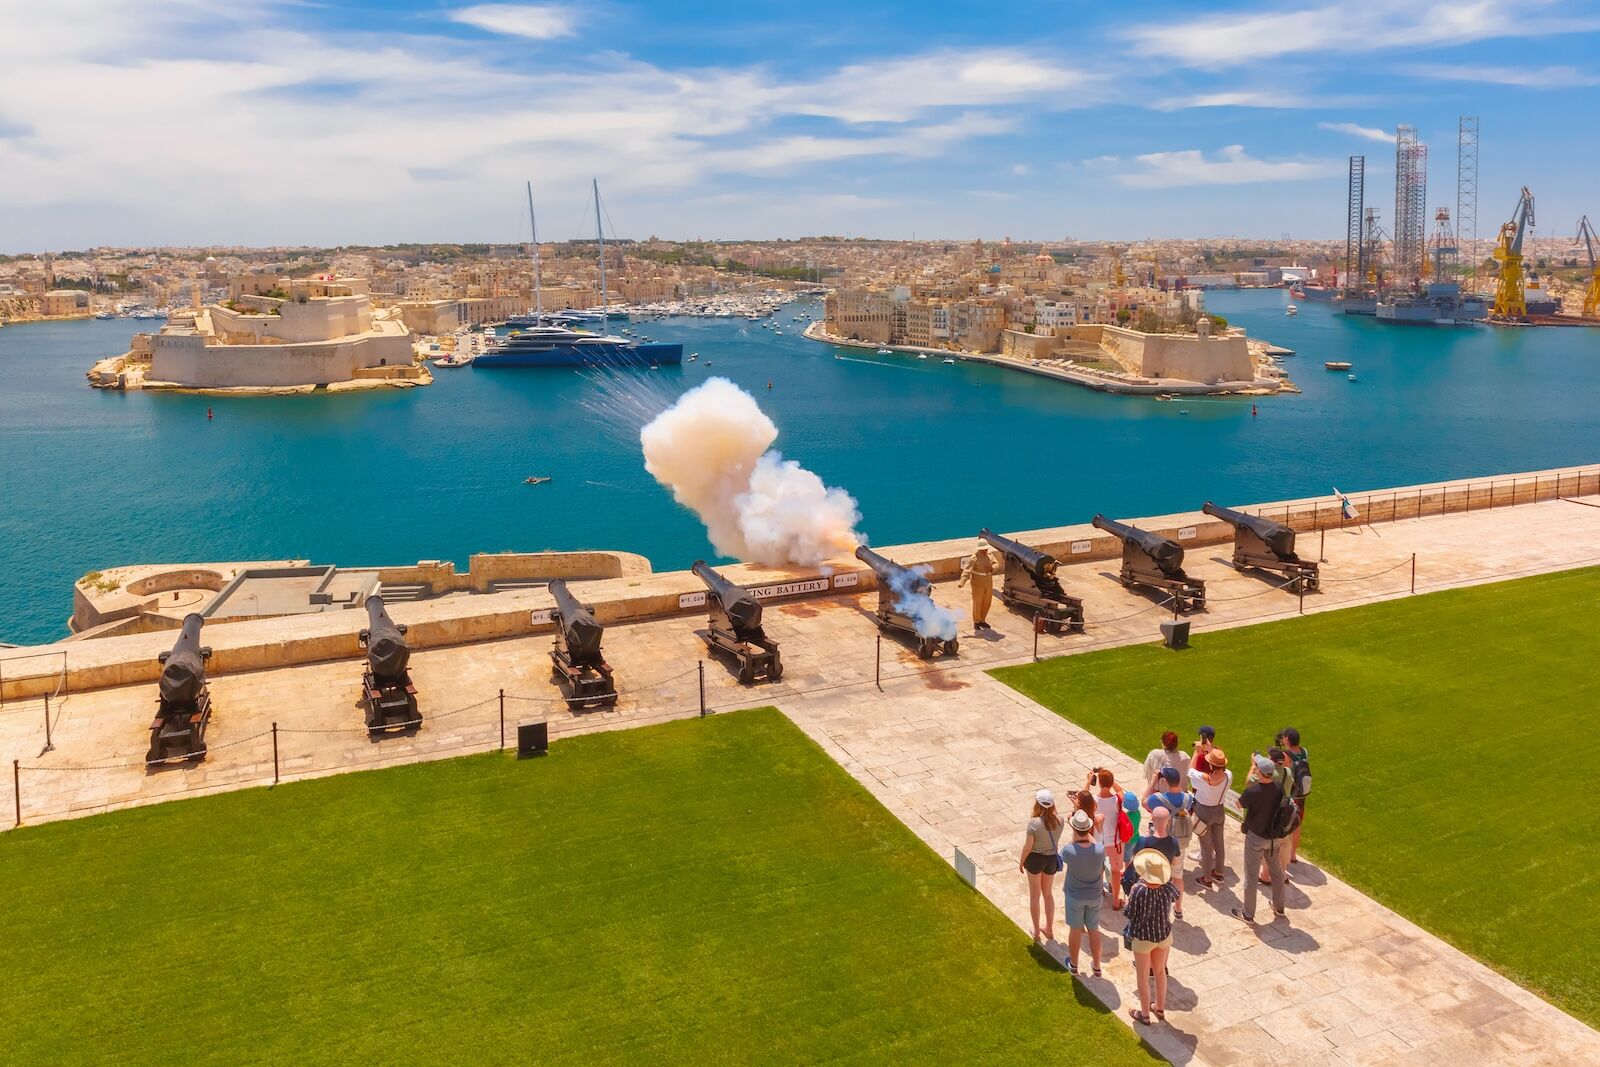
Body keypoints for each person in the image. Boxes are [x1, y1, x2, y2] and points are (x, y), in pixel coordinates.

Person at [1123, 850, 1180, 1025]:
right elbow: (1176, 895)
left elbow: (1129, 913)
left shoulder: (1138, 890)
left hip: (1143, 938)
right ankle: (1160, 1007)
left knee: (1142, 976)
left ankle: (1145, 1014)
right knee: (1160, 972)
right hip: (1163, 936)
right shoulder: (1168, 887)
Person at [1232, 756, 1287, 924]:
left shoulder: (1252, 791)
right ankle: (1279, 907)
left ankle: (1248, 914)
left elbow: (1239, 805)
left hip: (1255, 838)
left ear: (1260, 772)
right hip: (1273, 839)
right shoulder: (1279, 787)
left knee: (1251, 875)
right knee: (1277, 873)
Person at [1059, 808, 1106, 977]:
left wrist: (1076, 832)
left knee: (1075, 930)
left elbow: (1061, 860)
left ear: (1074, 829)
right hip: (1094, 896)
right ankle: (1097, 966)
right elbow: (1093, 844)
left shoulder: (1068, 850)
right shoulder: (1100, 849)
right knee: (1094, 930)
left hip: (1074, 896)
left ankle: (1074, 964)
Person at [1144, 767, 1196, 909]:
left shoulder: (1158, 799)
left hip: (1161, 842)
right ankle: (1178, 908)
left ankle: (1158, 907)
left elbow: (1144, 801)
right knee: (1178, 876)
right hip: (1180, 842)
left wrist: (1154, 779)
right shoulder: (1188, 798)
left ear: (1165, 781)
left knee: (1158, 876)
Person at [1122, 806, 1184, 920]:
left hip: (1145, 884)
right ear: (1169, 820)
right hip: (1163, 883)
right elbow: (1175, 862)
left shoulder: (1143, 841)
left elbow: (1136, 861)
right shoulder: (1174, 842)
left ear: (1152, 819)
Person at [1018, 788, 1063, 942]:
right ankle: (1049, 929)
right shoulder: (1060, 821)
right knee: (1048, 894)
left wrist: (1021, 861)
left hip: (1035, 859)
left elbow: (1027, 846)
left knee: (1035, 896)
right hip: (1051, 858)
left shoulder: (1034, 823)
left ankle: (1037, 931)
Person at [1189, 748, 1232, 889]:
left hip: (1204, 812)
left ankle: (1207, 878)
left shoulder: (1202, 779)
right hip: (1219, 810)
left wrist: (1196, 752)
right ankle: (1219, 873)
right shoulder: (1228, 776)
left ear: (1211, 766)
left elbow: (1190, 771)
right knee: (1219, 843)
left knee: (1206, 847)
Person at [1089, 768, 1128, 909]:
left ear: (1099, 783)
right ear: (1110, 782)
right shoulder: (1117, 799)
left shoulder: (1093, 800)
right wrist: (1111, 781)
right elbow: (1120, 790)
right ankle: (1116, 902)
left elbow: (1082, 796)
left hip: (1098, 841)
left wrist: (1089, 781)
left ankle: (1099, 893)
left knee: (1098, 870)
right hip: (1115, 842)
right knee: (1116, 871)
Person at [1278, 727, 1311, 866]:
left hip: (1289, 794)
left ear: (1287, 739)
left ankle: (1282, 856)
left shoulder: (1285, 755)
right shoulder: (1304, 752)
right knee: (1297, 823)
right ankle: (1293, 854)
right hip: (1302, 794)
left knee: (1285, 823)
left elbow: (1280, 770)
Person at [958, 544, 998, 631]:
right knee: (978, 602)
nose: (985, 551)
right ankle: (976, 621)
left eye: (986, 549)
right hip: (978, 582)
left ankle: (982, 620)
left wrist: (992, 568)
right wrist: (962, 582)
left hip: (988, 581)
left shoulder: (990, 555)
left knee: (987, 601)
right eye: (983, 549)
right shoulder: (974, 558)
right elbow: (967, 570)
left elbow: (996, 564)